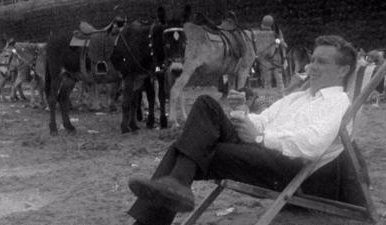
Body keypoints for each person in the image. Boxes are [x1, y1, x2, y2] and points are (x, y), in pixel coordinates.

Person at [127, 35, 357, 225]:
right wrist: (244, 119)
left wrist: (260, 137)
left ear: (343, 70)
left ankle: (164, 198)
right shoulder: (298, 97)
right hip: (261, 150)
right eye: (313, 60)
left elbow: (312, 144)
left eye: (322, 62)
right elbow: (264, 119)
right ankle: (175, 183)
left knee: (189, 148)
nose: (312, 67)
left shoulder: (338, 103)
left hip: (288, 166)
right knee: (206, 105)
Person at [254, 15, 288, 93]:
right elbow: (284, 46)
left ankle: (267, 100)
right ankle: (282, 98)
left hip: (264, 62)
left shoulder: (258, 34)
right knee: (279, 82)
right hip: (276, 61)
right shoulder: (276, 33)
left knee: (267, 83)